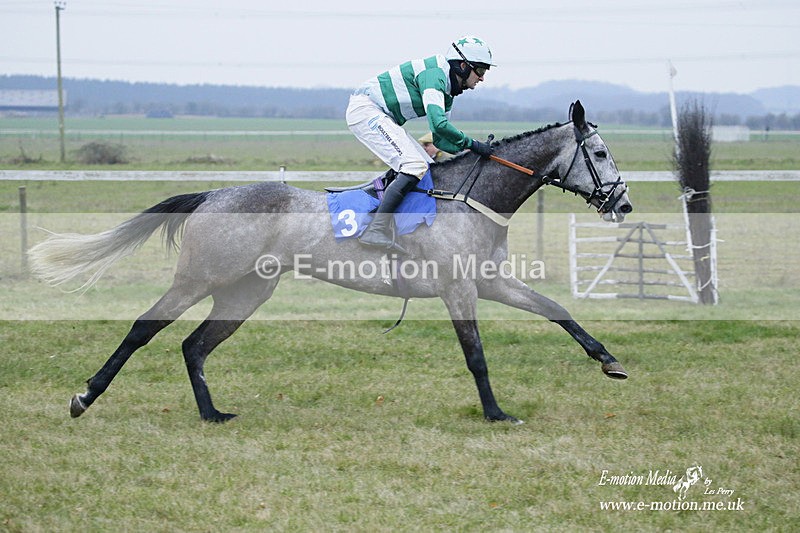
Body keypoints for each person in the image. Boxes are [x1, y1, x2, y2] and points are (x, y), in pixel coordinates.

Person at [346, 35, 496, 251]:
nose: (481, 78)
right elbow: (439, 123)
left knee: (429, 170)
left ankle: (401, 227)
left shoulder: (448, 90)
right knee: (413, 166)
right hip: (366, 110)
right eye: (480, 71)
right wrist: (472, 144)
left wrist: (470, 152)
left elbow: (440, 139)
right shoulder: (435, 75)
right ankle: (375, 230)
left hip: (383, 116)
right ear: (463, 66)